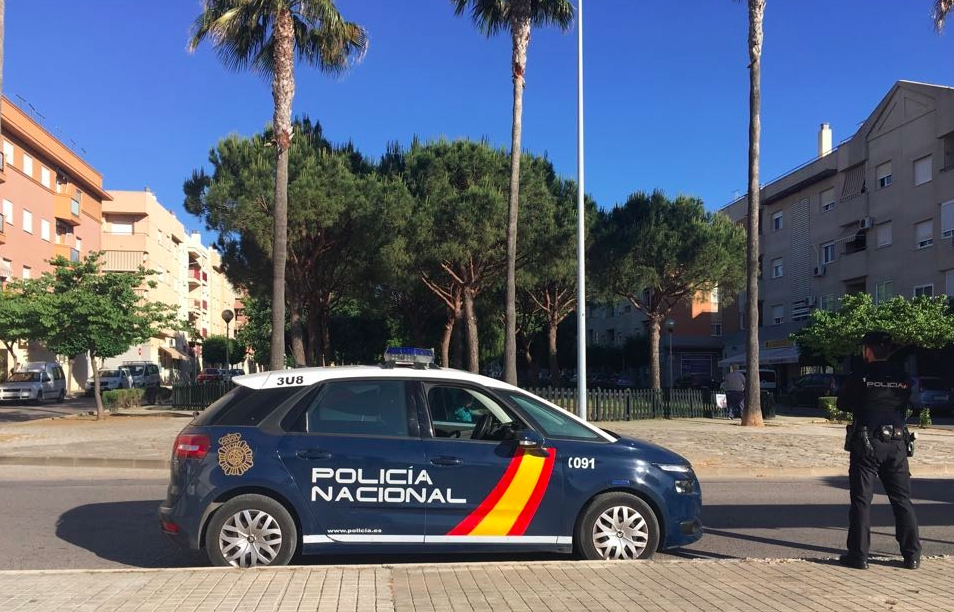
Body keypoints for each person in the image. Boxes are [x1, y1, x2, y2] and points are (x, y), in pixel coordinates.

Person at [836, 331, 920, 570]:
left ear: (868, 351)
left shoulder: (861, 375)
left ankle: (859, 556)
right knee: (902, 500)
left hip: (867, 443)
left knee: (862, 501)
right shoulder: (903, 377)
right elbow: (913, 403)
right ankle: (912, 555)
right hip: (897, 443)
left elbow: (842, 403)